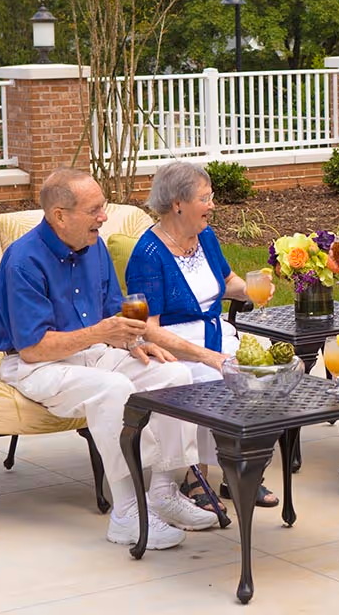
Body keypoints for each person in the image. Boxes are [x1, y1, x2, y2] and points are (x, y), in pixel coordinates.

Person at [0, 168, 218, 550]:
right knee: (114, 388)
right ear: (60, 215)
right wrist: (102, 335)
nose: (103, 217)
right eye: (94, 210)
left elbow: (114, 311)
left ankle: (164, 490)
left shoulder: (94, 247)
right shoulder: (23, 261)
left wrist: (131, 344)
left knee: (173, 375)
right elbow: (33, 348)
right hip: (36, 366)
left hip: (92, 353)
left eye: (103, 207)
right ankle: (126, 511)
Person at [125, 160, 279, 509]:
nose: (212, 206)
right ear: (178, 203)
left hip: (216, 333)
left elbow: (226, 283)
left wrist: (250, 290)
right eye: (205, 198)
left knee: (260, 377)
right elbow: (149, 327)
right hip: (176, 344)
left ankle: (242, 468)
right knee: (211, 377)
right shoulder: (148, 254)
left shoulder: (205, 237)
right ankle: (197, 475)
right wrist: (206, 356)